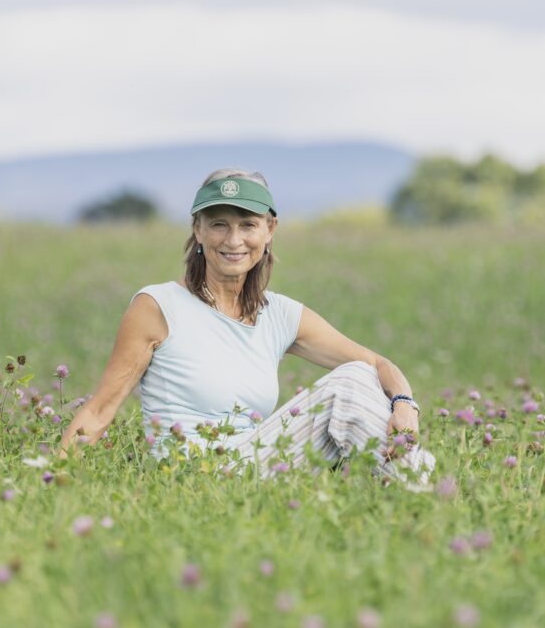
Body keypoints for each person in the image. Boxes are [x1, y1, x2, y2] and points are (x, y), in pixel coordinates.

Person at [58, 170, 435, 484]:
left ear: (269, 230)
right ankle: (420, 493)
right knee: (350, 382)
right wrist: (54, 479)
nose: (233, 240)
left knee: (362, 376)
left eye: (248, 225)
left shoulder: (281, 314)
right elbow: (99, 410)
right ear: (198, 231)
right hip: (195, 475)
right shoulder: (157, 306)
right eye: (219, 225)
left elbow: (378, 364)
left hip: (255, 467)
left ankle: (404, 491)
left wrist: (405, 405)